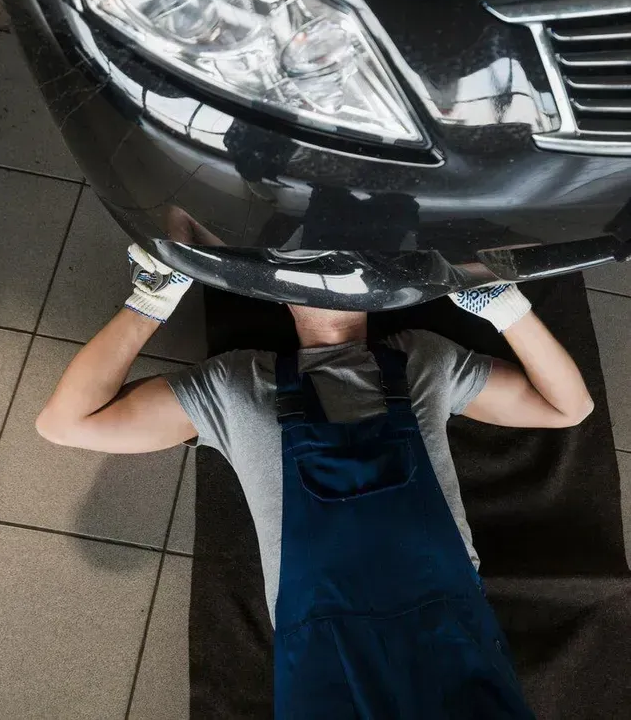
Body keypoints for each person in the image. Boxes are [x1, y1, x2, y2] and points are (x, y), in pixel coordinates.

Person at [36, 246, 594, 718]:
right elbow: (64, 424)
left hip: (435, 639)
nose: (328, 270)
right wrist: (152, 299)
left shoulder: (424, 359)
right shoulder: (234, 385)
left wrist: (504, 307)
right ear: (278, 290)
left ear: (379, 288)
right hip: (363, 655)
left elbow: (567, 408)